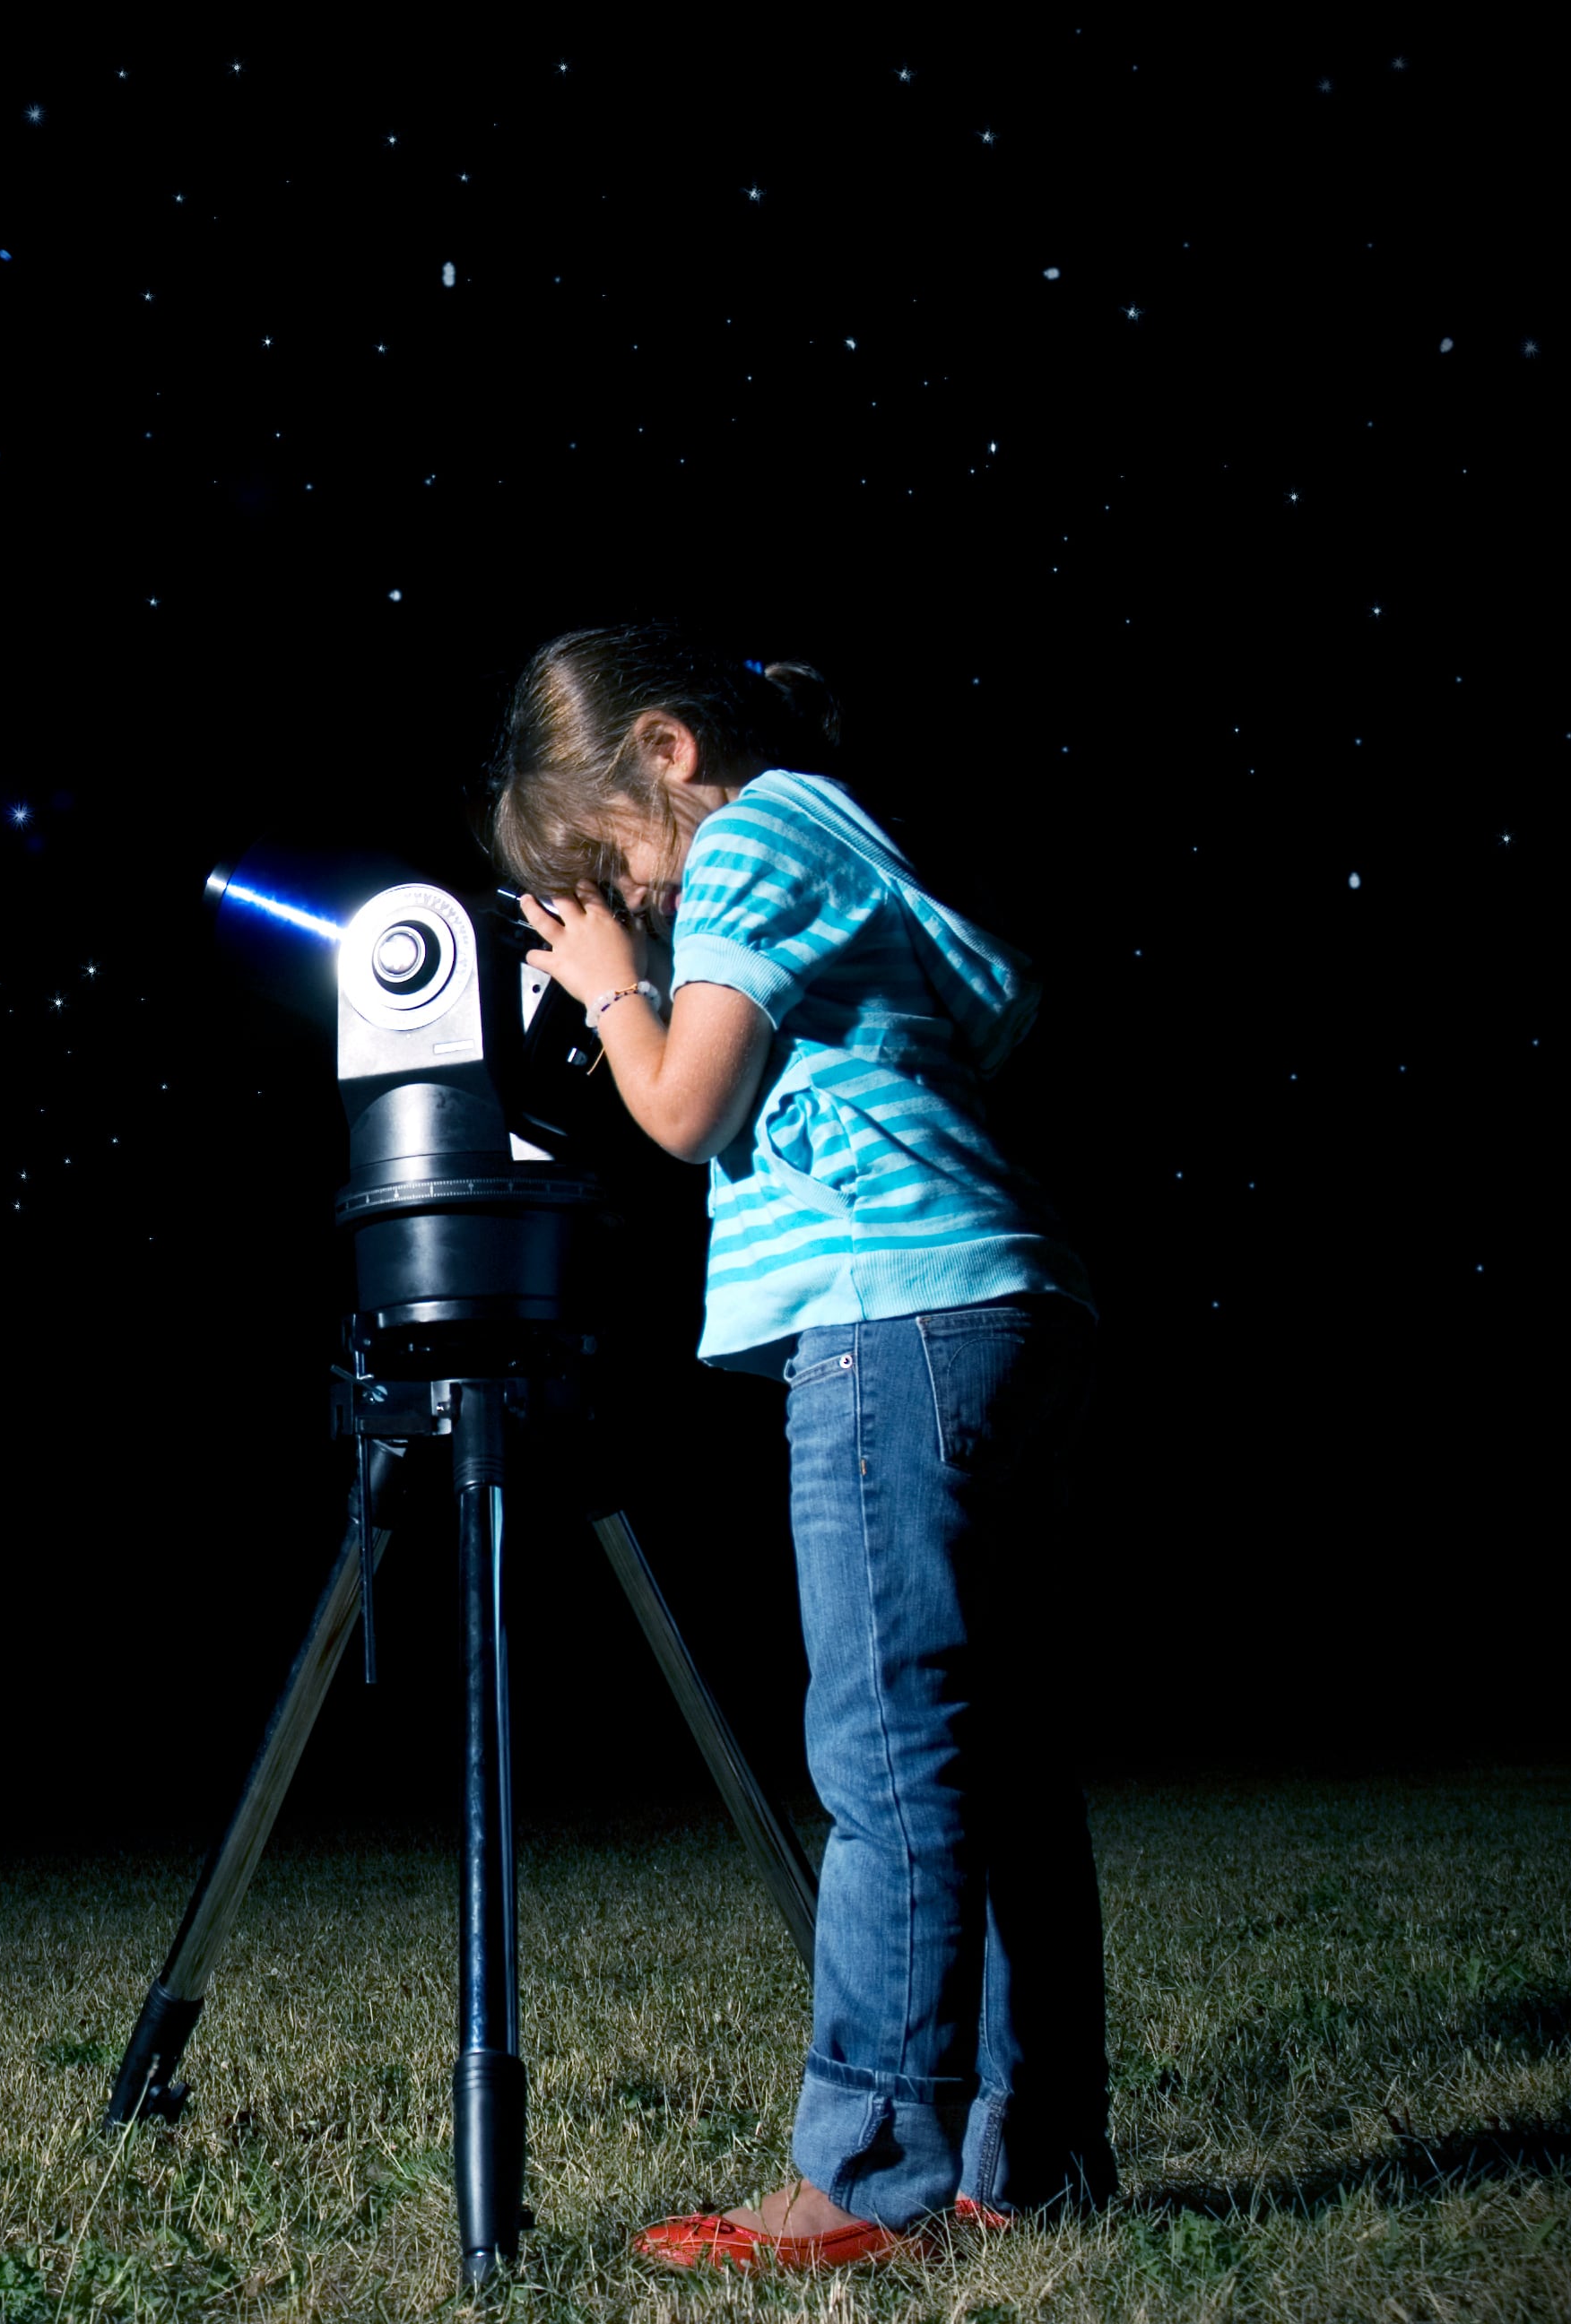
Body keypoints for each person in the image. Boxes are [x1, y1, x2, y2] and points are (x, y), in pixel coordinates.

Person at [478, 620, 1114, 2273]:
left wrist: (614, 992)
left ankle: (871, 2177)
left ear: (671, 756)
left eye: (614, 865)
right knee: (1001, 1756)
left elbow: (682, 1107)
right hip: (1000, 1303)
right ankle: (1031, 2154)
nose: (636, 907)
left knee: (891, 1746)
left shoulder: (758, 830)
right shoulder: (835, 837)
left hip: (890, 1322)